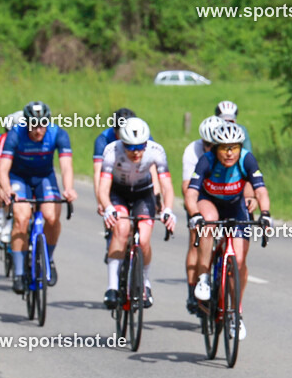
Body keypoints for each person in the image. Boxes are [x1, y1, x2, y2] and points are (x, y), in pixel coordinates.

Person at [185, 122, 270, 340]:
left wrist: (265, 213)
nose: (229, 153)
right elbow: (191, 193)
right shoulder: (207, 160)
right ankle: (204, 278)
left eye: (234, 147)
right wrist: (194, 214)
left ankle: (236, 314)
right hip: (209, 201)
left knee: (239, 260)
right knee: (208, 222)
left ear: (240, 147)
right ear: (216, 148)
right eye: (224, 148)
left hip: (234, 205)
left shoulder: (247, 159)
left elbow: (260, 189)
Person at [0, 101, 77, 294]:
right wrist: (6, 189)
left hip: (44, 177)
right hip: (19, 177)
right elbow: (3, 168)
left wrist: (68, 189)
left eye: (42, 125)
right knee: (22, 218)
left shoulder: (57, 133)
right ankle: (18, 272)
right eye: (33, 125)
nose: (38, 130)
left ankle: (48, 259)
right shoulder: (16, 134)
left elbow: (66, 166)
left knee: (52, 217)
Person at [96, 117, 176, 309]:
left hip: (143, 194)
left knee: (144, 239)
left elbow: (166, 185)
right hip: (118, 193)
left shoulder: (156, 151)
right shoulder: (111, 151)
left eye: (140, 147)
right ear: (122, 143)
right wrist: (107, 207)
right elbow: (103, 187)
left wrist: (168, 209)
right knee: (122, 228)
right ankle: (112, 287)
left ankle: (145, 282)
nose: (136, 152)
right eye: (130, 147)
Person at [180, 115, 226, 314]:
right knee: (196, 241)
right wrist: (195, 211)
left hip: (224, 196)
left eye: (215, 144)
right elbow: (187, 186)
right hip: (199, 196)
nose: (211, 148)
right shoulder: (192, 150)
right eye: (207, 144)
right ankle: (193, 289)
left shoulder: (229, 151)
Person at [0, 111, 22, 237]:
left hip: (22, 172)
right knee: (4, 191)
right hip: (6, 170)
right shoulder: (1, 139)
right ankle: (2, 217)